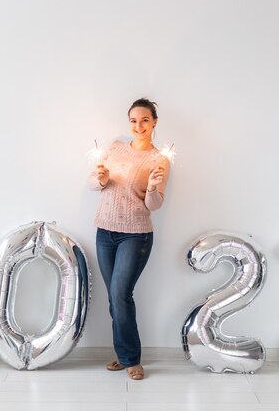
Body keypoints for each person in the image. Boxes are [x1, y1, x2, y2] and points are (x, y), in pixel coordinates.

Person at [88, 98, 170, 380]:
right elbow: (91, 183)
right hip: (104, 232)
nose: (139, 126)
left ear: (154, 122)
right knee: (114, 298)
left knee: (121, 295)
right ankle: (124, 355)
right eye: (134, 120)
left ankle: (132, 360)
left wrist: (152, 188)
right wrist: (98, 178)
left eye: (145, 120)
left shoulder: (158, 159)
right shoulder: (115, 148)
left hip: (135, 236)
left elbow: (154, 205)